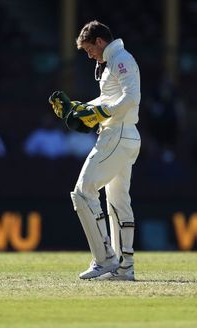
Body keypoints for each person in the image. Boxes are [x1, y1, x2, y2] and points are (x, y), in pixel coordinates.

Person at [50, 20, 141, 280]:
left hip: (118, 134)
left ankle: (105, 259)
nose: (89, 55)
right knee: (118, 201)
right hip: (123, 134)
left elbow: (132, 98)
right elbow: (110, 98)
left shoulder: (121, 59)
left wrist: (99, 113)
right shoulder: (110, 62)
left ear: (100, 41)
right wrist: (81, 108)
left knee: (83, 192)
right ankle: (126, 267)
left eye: (90, 49)